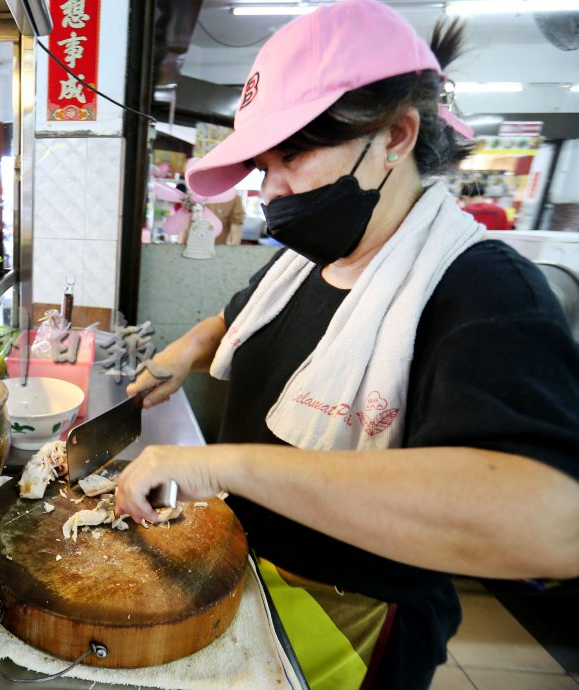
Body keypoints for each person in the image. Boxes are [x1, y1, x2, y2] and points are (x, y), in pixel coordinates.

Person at [114, 2, 579, 689]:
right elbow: (240, 317)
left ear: (395, 136)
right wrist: (185, 350)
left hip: (355, 624)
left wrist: (227, 467)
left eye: (293, 157)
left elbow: (553, 523)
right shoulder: (314, 254)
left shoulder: (484, 291)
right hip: (253, 579)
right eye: (262, 166)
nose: (271, 192)